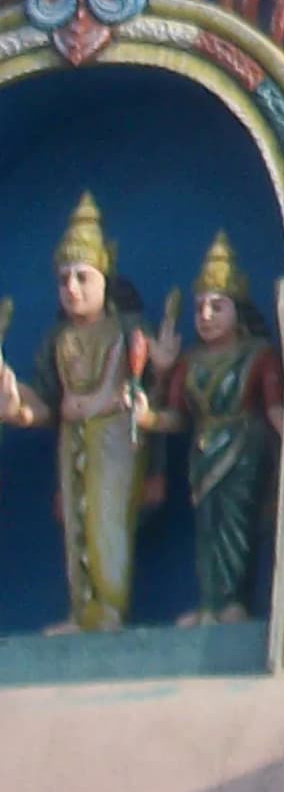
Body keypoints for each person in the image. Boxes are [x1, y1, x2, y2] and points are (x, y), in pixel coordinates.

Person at [0, 196, 154, 630]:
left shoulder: (126, 331)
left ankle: (109, 609)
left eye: (82, 277)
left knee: (107, 522)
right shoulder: (57, 339)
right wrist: (18, 409)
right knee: (77, 524)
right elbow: (46, 401)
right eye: (64, 279)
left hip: (115, 437)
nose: (72, 288)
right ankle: (82, 609)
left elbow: (154, 392)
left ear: (105, 279)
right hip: (73, 438)